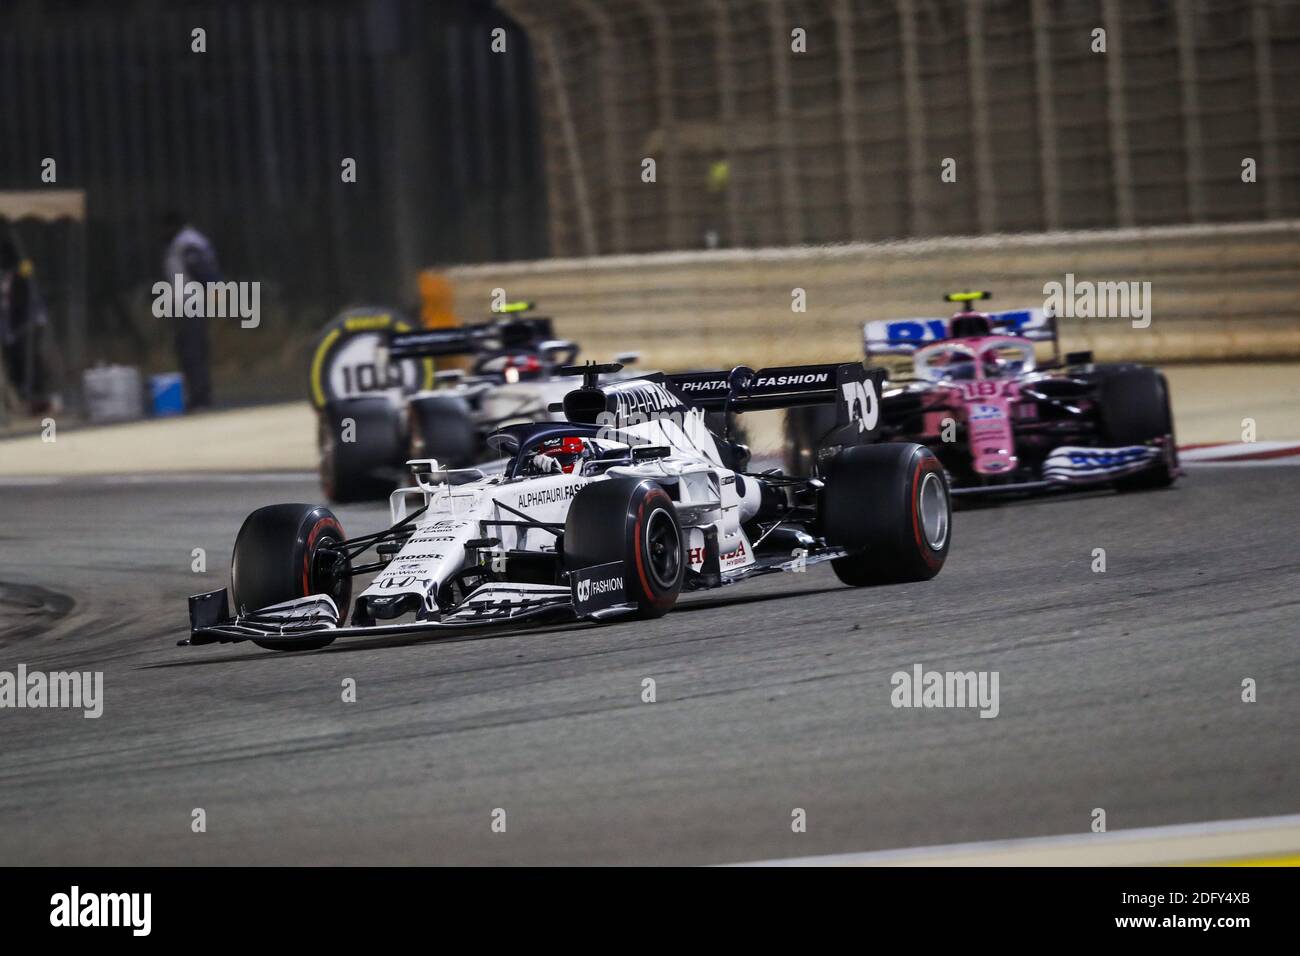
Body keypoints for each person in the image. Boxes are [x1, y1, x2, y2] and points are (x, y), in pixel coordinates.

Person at [159, 211, 220, 409]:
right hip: (188, 303)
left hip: (191, 304)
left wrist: (215, 292)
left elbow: (203, 271)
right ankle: (198, 396)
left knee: (193, 352)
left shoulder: (186, 244)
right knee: (191, 351)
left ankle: (200, 398)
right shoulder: (187, 242)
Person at [0, 238, 48, 414]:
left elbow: (30, 283)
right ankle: (24, 397)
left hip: (27, 323)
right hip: (10, 328)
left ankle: (37, 398)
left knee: (29, 358)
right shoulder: (5, 276)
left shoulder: (23, 269)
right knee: (14, 362)